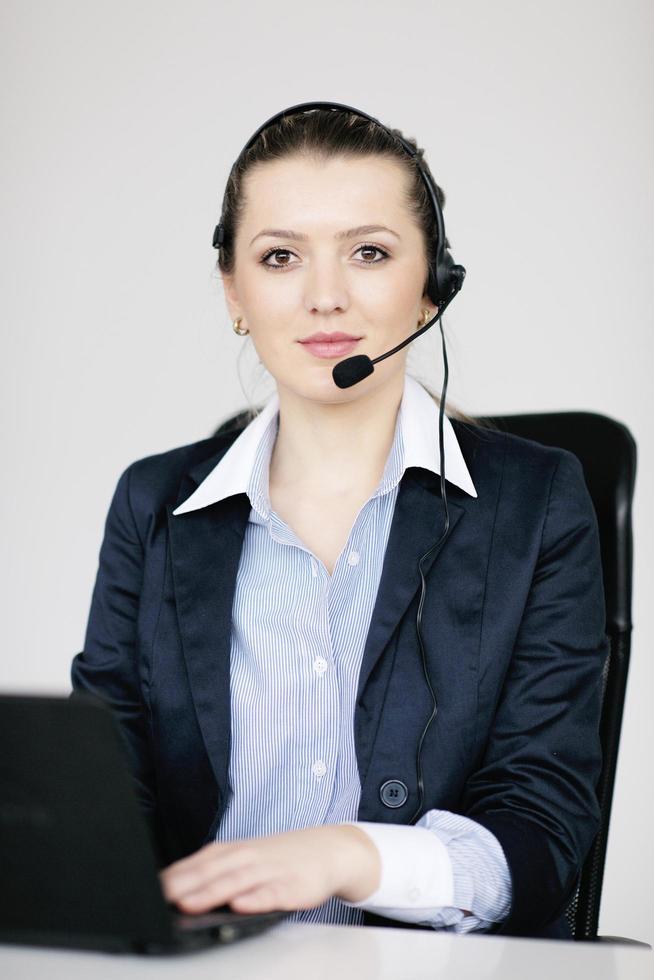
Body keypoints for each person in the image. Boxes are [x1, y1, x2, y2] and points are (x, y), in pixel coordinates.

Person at [70, 106, 609, 940]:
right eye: (280, 257)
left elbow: (542, 827)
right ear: (233, 292)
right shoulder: (155, 506)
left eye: (369, 252)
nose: (325, 296)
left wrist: (355, 856)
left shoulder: (538, 503)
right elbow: (107, 800)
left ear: (432, 285)